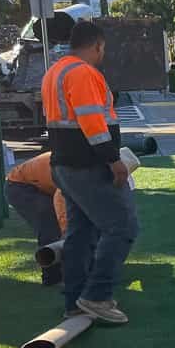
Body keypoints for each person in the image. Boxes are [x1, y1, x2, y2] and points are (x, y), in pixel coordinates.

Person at [42, 20, 138, 324]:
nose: (102, 54)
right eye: (103, 49)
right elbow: (92, 122)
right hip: (88, 166)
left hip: (64, 165)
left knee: (80, 234)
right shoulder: (83, 73)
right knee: (122, 226)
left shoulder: (55, 72)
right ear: (97, 45)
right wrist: (113, 160)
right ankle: (97, 296)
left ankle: (74, 302)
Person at [5, 151, 68, 286]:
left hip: (40, 185)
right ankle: (52, 278)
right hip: (19, 186)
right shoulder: (73, 168)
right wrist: (65, 229)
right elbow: (61, 197)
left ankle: (69, 270)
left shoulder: (87, 163)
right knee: (49, 226)